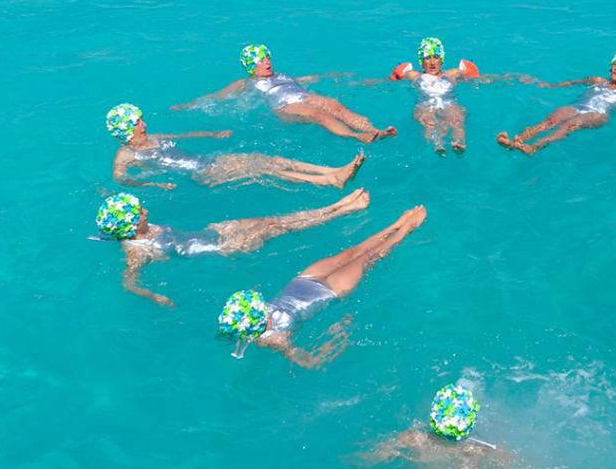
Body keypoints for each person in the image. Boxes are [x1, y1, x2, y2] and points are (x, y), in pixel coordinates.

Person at [216, 206, 426, 365]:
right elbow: (310, 362)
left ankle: (396, 225)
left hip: (304, 280)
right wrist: (337, 336)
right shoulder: (274, 340)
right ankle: (406, 230)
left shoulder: (246, 317)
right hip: (329, 291)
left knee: (353, 252)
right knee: (368, 258)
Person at [95, 188, 368, 308]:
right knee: (279, 227)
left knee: (273, 219)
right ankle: (344, 210)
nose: (145, 211)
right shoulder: (136, 250)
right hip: (226, 246)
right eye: (138, 212)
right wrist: (155, 296)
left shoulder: (140, 228)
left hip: (215, 231)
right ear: (129, 226)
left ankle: (336, 207)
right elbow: (129, 282)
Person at [105, 102, 365, 190]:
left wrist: (212, 134)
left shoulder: (155, 137)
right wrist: (153, 184)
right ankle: (328, 180)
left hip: (208, 162)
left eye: (141, 119)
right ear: (125, 130)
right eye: (137, 122)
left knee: (265, 159)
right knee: (263, 168)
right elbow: (120, 178)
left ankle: (331, 171)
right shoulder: (126, 154)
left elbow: (185, 135)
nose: (143, 124)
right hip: (201, 174)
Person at [173, 44, 396, 141]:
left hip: (301, 96)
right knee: (318, 114)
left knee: (333, 104)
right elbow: (217, 96)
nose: (267, 62)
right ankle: (355, 136)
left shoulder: (282, 75)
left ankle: (375, 131)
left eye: (267, 58)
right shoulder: (246, 83)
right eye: (260, 60)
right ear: (251, 66)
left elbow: (307, 79)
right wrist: (187, 105)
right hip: (285, 107)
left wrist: (334, 75)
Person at [360, 381, 521, 469]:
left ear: (433, 416)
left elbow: (372, 456)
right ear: (471, 423)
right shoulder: (483, 450)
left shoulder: (413, 438)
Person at [497, 51, 616, 156]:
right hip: (578, 106)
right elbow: (571, 83)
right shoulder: (596, 80)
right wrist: (548, 85)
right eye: (615, 63)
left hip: (599, 114)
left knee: (570, 124)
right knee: (551, 119)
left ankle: (534, 147)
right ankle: (515, 142)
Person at [387, 36, 487, 154]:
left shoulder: (453, 73)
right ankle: (438, 144)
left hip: (449, 102)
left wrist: (504, 78)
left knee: (457, 120)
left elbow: (480, 79)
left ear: (441, 59)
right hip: (425, 104)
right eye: (427, 58)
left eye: (436, 57)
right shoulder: (413, 75)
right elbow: (388, 81)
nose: (432, 62)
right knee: (428, 121)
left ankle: (459, 142)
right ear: (421, 62)